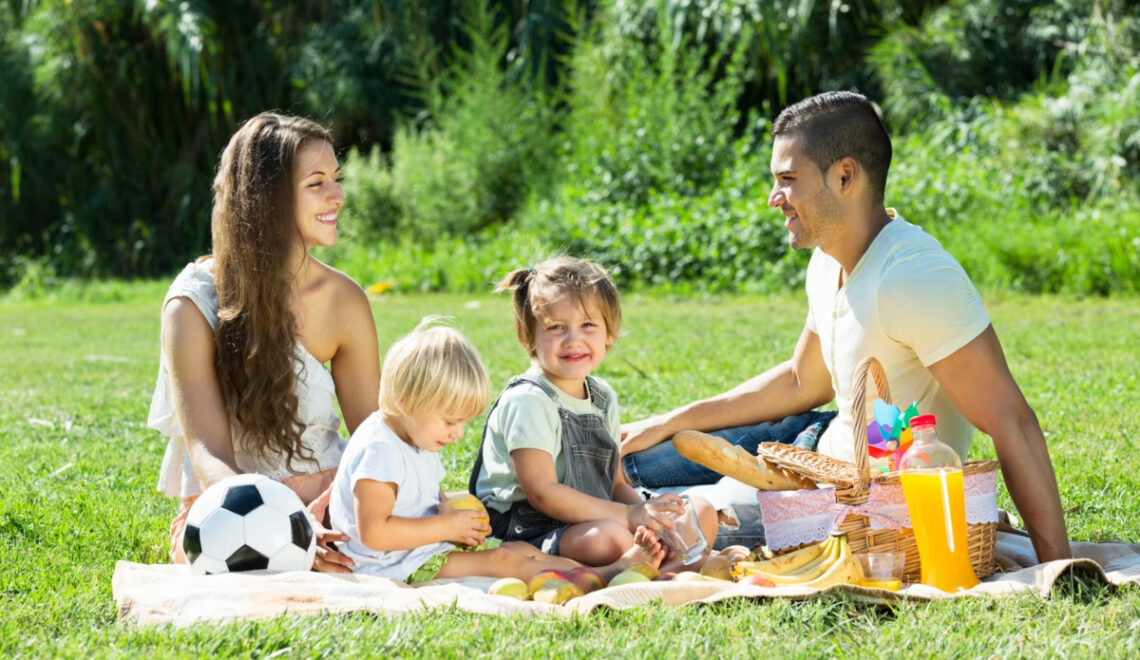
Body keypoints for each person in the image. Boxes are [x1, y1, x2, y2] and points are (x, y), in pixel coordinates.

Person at [621, 91, 1071, 563]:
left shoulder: (914, 278)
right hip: (812, 443)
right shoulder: (826, 259)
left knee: (669, 519)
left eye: (788, 180)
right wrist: (668, 421)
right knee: (626, 461)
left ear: (845, 175)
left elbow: (1013, 421)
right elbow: (802, 381)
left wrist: (1059, 566)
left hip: (852, 503)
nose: (774, 199)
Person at [148, 112, 380, 572]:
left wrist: (331, 512)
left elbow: (374, 436)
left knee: (394, 531)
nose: (338, 195)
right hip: (228, 506)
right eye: (316, 183)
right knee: (224, 557)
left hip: (327, 498)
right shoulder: (192, 303)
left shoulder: (344, 300)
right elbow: (209, 453)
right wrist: (283, 528)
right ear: (267, 199)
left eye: (336, 179)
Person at [328, 321, 665, 583]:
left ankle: (605, 569)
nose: (458, 434)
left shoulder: (412, 433)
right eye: (450, 421)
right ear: (406, 400)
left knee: (518, 550)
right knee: (504, 561)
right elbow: (375, 532)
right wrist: (446, 528)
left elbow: (413, 494)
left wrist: (446, 507)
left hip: (414, 551)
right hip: (391, 566)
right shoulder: (379, 450)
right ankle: (607, 576)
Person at [469, 256, 719, 569]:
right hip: (529, 529)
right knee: (611, 539)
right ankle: (660, 567)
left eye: (588, 325)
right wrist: (629, 517)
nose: (574, 341)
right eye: (556, 327)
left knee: (700, 510)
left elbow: (613, 486)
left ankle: (657, 563)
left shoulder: (602, 397)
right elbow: (542, 494)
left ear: (609, 332)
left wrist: (650, 513)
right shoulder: (529, 400)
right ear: (528, 335)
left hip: (596, 516)